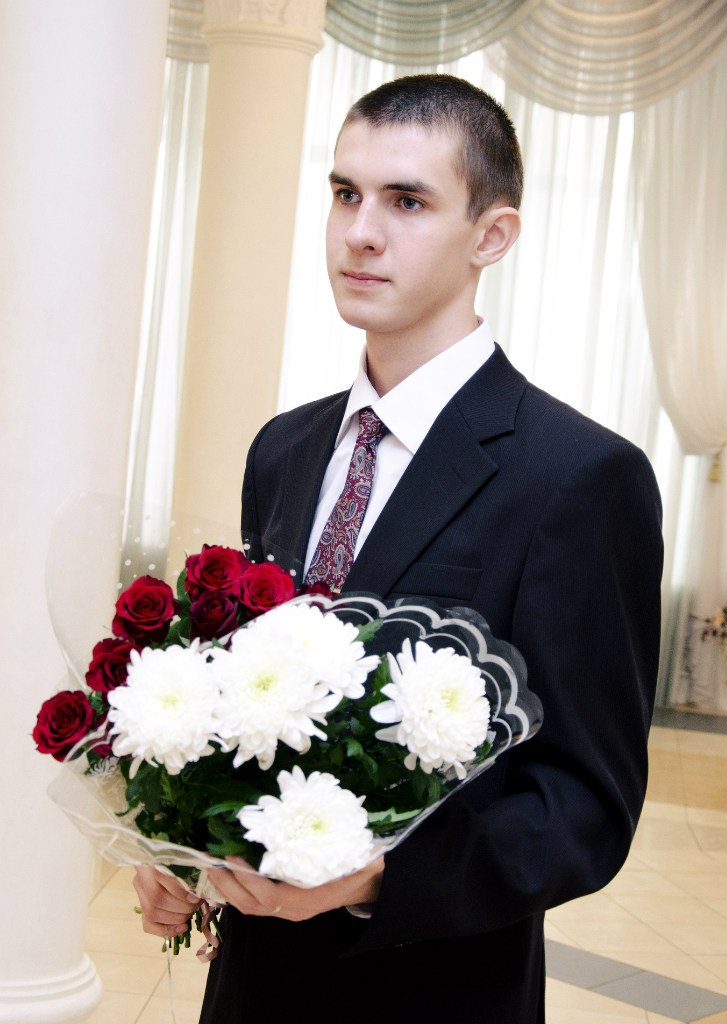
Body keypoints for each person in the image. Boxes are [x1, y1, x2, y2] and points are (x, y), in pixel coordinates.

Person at [134, 74, 663, 1023]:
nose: (359, 232)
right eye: (345, 193)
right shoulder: (285, 448)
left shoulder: (578, 477)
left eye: (406, 201)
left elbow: (584, 808)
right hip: (254, 988)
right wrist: (179, 843)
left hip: (434, 991)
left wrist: (378, 876)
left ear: (490, 235)